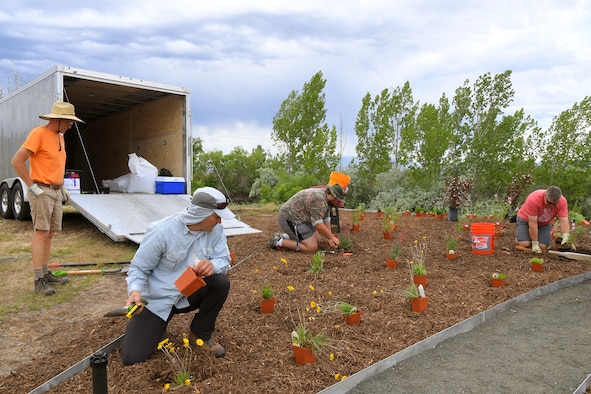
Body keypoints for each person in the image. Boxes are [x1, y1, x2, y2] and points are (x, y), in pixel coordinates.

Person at [120, 186, 233, 365]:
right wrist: (135, 292)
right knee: (132, 357)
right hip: (158, 300)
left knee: (220, 282)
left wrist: (213, 265)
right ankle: (156, 326)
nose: (220, 221)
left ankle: (200, 335)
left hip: (188, 293)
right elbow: (138, 269)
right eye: (216, 216)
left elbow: (223, 259)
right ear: (201, 213)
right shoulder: (161, 231)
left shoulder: (216, 230)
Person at [11, 102, 84, 296]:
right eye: (69, 122)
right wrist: (31, 186)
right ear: (57, 119)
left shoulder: (60, 137)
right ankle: (38, 280)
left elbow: (54, 166)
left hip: (55, 191)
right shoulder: (38, 134)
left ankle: (45, 273)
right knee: (41, 233)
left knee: (50, 233)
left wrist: (62, 187)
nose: (71, 125)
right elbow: (17, 160)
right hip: (40, 191)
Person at [267, 183, 347, 252]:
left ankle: (285, 236)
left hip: (302, 219)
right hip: (289, 218)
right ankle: (277, 241)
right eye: (338, 200)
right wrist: (332, 237)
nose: (339, 203)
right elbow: (318, 224)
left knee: (318, 240)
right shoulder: (319, 200)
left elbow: (326, 219)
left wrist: (330, 237)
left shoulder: (326, 199)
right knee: (311, 247)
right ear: (332, 196)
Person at [515, 186, 570, 253]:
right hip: (526, 220)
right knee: (525, 244)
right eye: (549, 203)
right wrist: (535, 243)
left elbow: (564, 220)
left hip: (544, 224)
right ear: (545, 196)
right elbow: (532, 223)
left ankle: (529, 239)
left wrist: (566, 235)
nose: (551, 206)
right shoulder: (534, 199)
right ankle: (521, 239)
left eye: (554, 204)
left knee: (542, 246)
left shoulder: (562, 202)